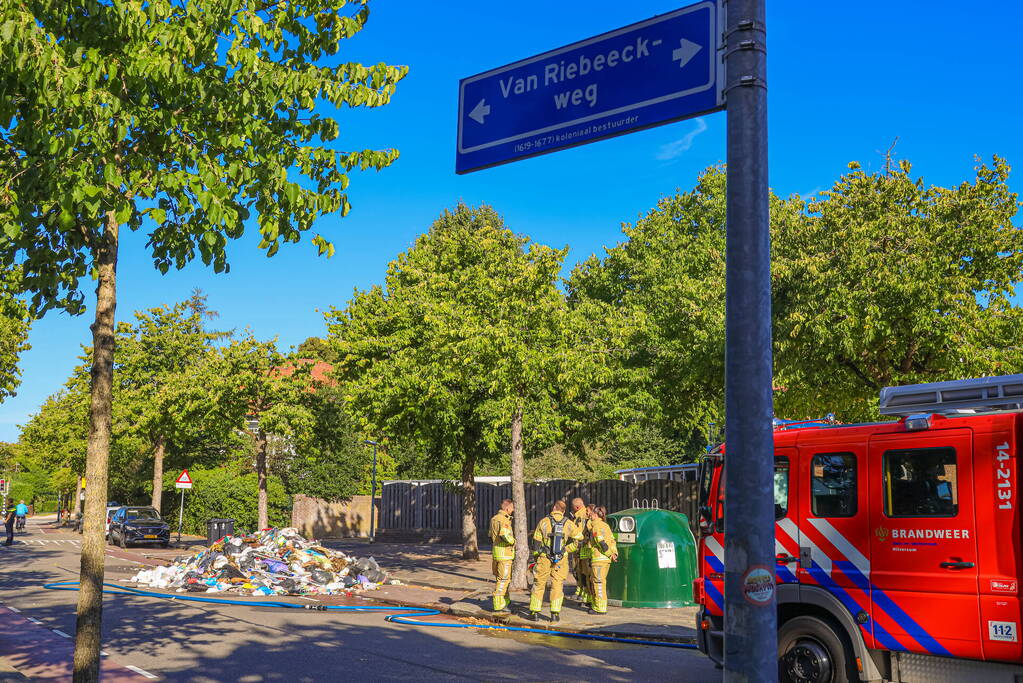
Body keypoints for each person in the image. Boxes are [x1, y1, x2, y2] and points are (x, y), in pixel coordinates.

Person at [528, 500, 581, 623]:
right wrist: (566, 550)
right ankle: (555, 614)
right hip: (561, 560)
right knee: (557, 585)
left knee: (539, 584)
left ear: (553, 508)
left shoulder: (543, 522)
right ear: (563, 511)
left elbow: (536, 543)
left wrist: (537, 557)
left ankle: (535, 612)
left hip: (544, 558)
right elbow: (579, 540)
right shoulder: (569, 523)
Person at [586, 505, 618, 614]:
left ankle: (600, 608)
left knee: (598, 583)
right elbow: (613, 541)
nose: (589, 515)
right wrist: (614, 553)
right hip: (606, 561)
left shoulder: (596, 526)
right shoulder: (606, 526)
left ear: (595, 515)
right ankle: (597, 606)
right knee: (599, 582)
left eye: (591, 514)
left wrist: (610, 554)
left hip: (599, 559)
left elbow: (601, 542)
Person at [489, 498, 516, 614]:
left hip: (496, 553)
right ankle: (499, 605)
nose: (513, 510)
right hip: (505, 554)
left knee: (501, 579)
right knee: (504, 580)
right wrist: (513, 541)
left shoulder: (494, 518)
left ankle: (506, 601)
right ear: (507, 508)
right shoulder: (504, 520)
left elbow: (491, 535)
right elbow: (504, 535)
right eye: (512, 508)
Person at [575, 503, 596, 606]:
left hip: (590, 551)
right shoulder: (587, 521)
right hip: (584, 550)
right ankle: (587, 599)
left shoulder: (593, 523)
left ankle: (592, 600)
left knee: (589, 576)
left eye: (588, 511)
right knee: (584, 574)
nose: (586, 513)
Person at [569, 497, 587, 602]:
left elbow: (579, 532)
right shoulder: (579, 515)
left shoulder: (582, 516)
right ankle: (579, 591)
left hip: (582, 547)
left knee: (581, 570)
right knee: (579, 570)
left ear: (577, 507)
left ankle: (583, 591)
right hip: (580, 547)